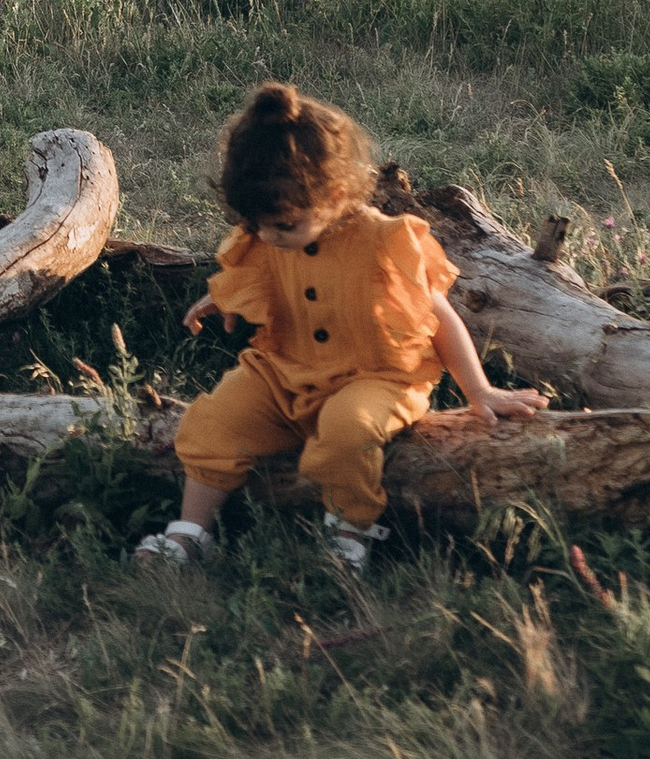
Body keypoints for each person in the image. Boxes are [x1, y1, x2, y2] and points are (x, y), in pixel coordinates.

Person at [138, 79, 547, 573]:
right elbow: (255, 272)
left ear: (332, 195)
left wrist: (479, 391)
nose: (268, 237)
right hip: (285, 371)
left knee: (346, 431)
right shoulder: (271, 232)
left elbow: (439, 313)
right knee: (214, 420)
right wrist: (221, 295)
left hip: (378, 377)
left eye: (283, 226)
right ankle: (190, 533)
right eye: (256, 226)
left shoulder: (381, 241)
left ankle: (349, 534)